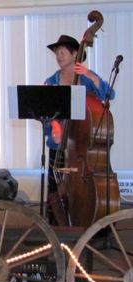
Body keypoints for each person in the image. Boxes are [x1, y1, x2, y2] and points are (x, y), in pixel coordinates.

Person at [44, 34, 115, 225]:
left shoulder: (86, 77)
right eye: (56, 53)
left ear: (76, 53)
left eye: (62, 52)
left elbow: (110, 94)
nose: (59, 56)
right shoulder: (50, 82)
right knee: (54, 185)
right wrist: (54, 125)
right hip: (58, 143)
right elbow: (46, 112)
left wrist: (90, 75)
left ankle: (83, 222)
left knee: (80, 185)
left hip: (81, 143)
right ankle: (56, 228)